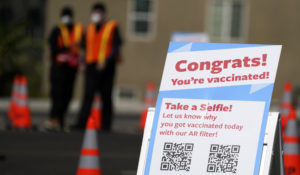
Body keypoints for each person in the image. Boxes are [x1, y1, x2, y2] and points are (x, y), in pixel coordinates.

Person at [73, 3, 122, 131]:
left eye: (99, 13)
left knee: (106, 96)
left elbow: (116, 46)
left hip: (106, 67)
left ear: (104, 14)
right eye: (94, 13)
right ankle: (81, 123)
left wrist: (106, 60)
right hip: (91, 66)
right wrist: (82, 61)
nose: (96, 16)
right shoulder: (89, 28)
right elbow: (86, 46)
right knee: (88, 95)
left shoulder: (112, 27)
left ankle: (106, 125)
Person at [46, 7, 84, 131]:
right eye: (65, 15)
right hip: (58, 68)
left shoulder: (78, 29)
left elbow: (84, 44)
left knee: (67, 95)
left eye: (68, 15)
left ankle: (61, 119)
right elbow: (53, 47)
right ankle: (54, 119)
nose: (66, 18)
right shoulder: (57, 30)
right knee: (57, 94)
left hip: (71, 68)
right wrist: (68, 47)